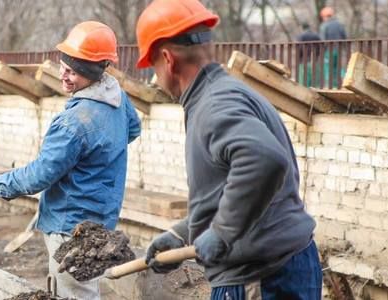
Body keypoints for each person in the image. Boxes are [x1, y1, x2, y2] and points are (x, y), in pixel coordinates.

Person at [135, 1, 321, 299]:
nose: (156, 76)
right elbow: (232, 189)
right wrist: (183, 233)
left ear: (168, 60)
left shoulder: (214, 106)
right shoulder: (228, 93)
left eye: (153, 65)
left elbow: (264, 160)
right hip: (278, 265)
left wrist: (221, 232)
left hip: (260, 277)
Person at [0, 21, 141, 300]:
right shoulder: (116, 98)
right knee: (85, 287)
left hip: (69, 226)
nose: (64, 75)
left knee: (76, 295)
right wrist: (94, 158)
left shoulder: (73, 122)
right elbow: (132, 130)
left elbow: (38, 177)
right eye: (63, 66)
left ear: (93, 72)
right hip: (102, 218)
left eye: (73, 71)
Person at [319, 7, 347, 87]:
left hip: (328, 50)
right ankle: (338, 84)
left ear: (324, 16)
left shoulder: (324, 25)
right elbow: (344, 36)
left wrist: (321, 51)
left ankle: (330, 85)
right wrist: (344, 48)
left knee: (328, 68)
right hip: (338, 49)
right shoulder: (339, 24)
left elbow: (323, 40)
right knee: (337, 67)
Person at [296, 23, 321, 87]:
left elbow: (299, 48)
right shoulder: (316, 35)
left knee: (304, 80)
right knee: (315, 80)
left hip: (304, 60)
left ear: (302, 28)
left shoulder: (301, 36)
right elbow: (320, 47)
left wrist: (298, 58)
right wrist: (317, 56)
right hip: (315, 60)